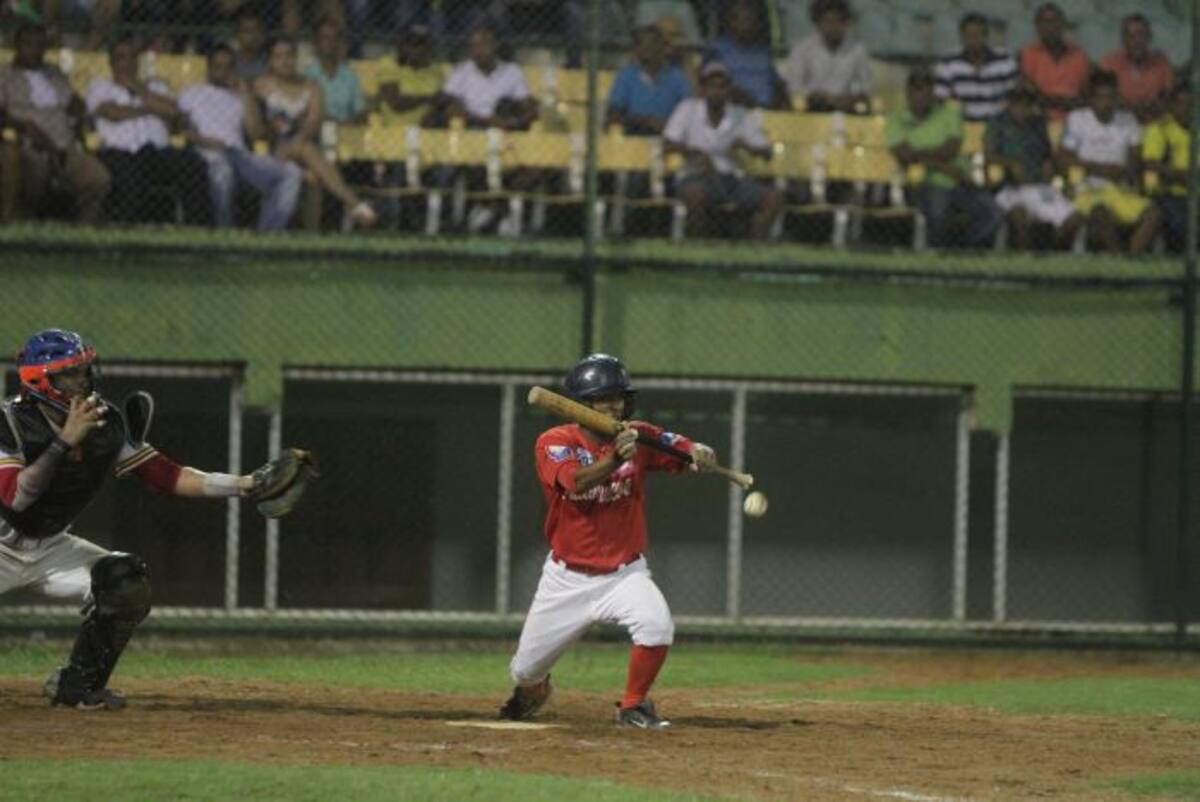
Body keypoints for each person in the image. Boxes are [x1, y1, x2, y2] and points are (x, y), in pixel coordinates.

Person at [0, 328, 309, 710]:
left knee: (125, 583)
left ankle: (78, 686)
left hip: (48, 548)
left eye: (84, 370)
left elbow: (168, 476)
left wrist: (245, 485)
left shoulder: (104, 422)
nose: (83, 381)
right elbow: (16, 496)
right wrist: (64, 442)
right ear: (39, 382)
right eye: (69, 374)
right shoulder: (9, 421)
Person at [499, 353, 717, 730]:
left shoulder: (637, 435)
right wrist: (615, 459)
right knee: (523, 671)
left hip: (623, 573)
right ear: (583, 405)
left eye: (619, 397)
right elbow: (575, 482)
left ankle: (633, 706)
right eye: (604, 398)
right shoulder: (554, 442)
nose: (614, 406)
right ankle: (535, 689)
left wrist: (699, 452)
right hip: (566, 579)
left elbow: (680, 448)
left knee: (657, 626)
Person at [253, 36, 376, 228]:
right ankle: (354, 203)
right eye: (278, 56)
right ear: (270, 61)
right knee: (306, 149)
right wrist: (293, 132)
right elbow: (261, 126)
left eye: (289, 55)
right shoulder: (260, 85)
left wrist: (297, 137)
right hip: (273, 149)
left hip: (304, 147)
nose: (285, 61)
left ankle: (310, 236)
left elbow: (313, 124)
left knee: (312, 176)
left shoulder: (312, 87)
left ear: (296, 58)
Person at [86, 38, 212, 225]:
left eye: (132, 58)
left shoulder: (156, 87)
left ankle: (196, 229)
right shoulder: (101, 86)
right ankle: (125, 228)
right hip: (120, 151)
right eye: (121, 58)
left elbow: (174, 112)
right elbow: (112, 113)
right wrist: (152, 108)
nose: (127, 63)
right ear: (111, 62)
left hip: (158, 152)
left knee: (193, 164)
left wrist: (140, 90)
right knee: (130, 179)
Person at [179, 44, 302, 232]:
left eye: (228, 67)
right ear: (209, 68)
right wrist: (203, 140)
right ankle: (226, 234)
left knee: (291, 173)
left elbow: (255, 133)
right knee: (223, 171)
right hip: (207, 152)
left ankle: (267, 236)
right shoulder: (192, 93)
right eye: (218, 66)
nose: (222, 72)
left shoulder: (240, 96)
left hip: (239, 155)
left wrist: (245, 92)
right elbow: (182, 129)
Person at [0, 22, 110, 223]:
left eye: (41, 46)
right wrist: (23, 126)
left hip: (64, 145)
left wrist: (80, 115)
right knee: (33, 173)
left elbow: (73, 102)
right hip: (29, 145)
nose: (35, 51)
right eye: (29, 44)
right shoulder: (4, 75)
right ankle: (22, 221)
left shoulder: (53, 73)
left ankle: (83, 230)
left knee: (98, 178)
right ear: (17, 45)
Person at [664, 60, 782, 240]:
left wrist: (748, 147)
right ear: (702, 89)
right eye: (712, 86)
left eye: (723, 87)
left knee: (774, 197)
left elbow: (766, 151)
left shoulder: (739, 114)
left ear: (729, 90)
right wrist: (693, 153)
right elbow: (668, 143)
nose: (717, 92)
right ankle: (696, 247)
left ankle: (755, 250)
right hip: (695, 176)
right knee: (695, 195)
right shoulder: (687, 109)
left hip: (731, 178)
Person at [886, 66, 1002, 250]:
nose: (920, 94)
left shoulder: (949, 113)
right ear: (908, 92)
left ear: (932, 92)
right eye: (916, 88)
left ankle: (961, 249)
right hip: (922, 183)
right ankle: (940, 253)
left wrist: (920, 155)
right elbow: (903, 155)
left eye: (925, 88)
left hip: (959, 181)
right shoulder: (897, 119)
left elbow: (951, 149)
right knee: (938, 209)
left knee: (992, 213)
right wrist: (943, 166)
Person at [1059, 69, 1162, 253]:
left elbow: (1135, 160)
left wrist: (1122, 172)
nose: (1105, 103)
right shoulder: (1078, 119)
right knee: (1100, 213)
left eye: (1110, 97)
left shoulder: (1128, 120)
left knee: (1153, 214)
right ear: (1090, 98)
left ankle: (1132, 258)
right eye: (1100, 97)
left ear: (1117, 97)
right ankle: (1118, 259)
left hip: (1119, 188)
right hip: (1088, 189)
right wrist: (1098, 169)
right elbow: (1064, 158)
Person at [985, 85, 1083, 250]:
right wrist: (1010, 164)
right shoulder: (998, 123)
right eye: (1018, 104)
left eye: (1027, 104)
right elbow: (988, 155)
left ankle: (1055, 258)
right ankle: (1024, 261)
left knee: (1073, 219)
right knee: (1019, 215)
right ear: (1009, 104)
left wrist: (1049, 164)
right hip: (1011, 187)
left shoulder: (1038, 123)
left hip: (1039, 186)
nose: (1022, 109)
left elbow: (1048, 153)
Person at [782, 0, 872, 114]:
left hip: (847, 109)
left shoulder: (858, 51)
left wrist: (847, 99)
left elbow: (866, 88)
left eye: (838, 21)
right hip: (812, 110)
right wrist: (817, 95)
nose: (833, 27)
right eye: (828, 21)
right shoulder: (802, 50)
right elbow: (794, 88)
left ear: (846, 24)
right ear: (818, 23)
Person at [605, 25, 692, 136]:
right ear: (636, 49)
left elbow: (690, 111)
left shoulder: (676, 76)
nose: (647, 48)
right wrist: (645, 122)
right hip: (633, 138)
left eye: (652, 43)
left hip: (668, 138)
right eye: (642, 44)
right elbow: (613, 114)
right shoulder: (627, 75)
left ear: (662, 47)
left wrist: (669, 124)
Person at [935, 13, 1018, 122]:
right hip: (962, 125)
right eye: (968, 36)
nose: (972, 41)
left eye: (977, 35)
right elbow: (940, 98)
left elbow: (1016, 95)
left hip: (997, 125)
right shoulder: (948, 62)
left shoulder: (1004, 60)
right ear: (961, 37)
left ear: (986, 36)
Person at [706, 4, 790, 110]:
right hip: (735, 112)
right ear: (731, 22)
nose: (749, 25)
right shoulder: (717, 51)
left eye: (752, 21)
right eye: (744, 21)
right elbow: (713, 85)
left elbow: (776, 82)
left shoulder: (762, 52)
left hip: (768, 112)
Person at [1019, 2, 1090, 121]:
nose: (1050, 27)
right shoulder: (1027, 54)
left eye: (1054, 21)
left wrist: (1048, 100)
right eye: (1044, 22)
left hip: (1075, 123)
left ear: (1063, 24)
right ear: (1037, 27)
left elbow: (1086, 97)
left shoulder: (1079, 55)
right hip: (1038, 124)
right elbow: (1028, 96)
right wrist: (1065, 102)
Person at [1099, 14, 1174, 124]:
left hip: (1153, 124)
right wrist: (1134, 108)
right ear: (1123, 39)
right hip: (1118, 127)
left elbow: (1169, 98)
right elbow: (1103, 100)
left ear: (1149, 37)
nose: (1136, 41)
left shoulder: (1161, 65)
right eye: (1130, 36)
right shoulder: (1109, 64)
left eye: (1140, 34)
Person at [1142, 82, 1190, 253]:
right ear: (1172, 105)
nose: (1186, 108)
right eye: (1181, 103)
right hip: (1171, 193)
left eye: (1191, 103)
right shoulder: (1160, 129)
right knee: (1179, 220)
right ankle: (1174, 262)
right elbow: (1151, 163)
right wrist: (1182, 176)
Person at [377, 23, 446, 129]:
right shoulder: (389, 64)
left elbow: (440, 101)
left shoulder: (435, 70)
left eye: (421, 44)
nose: (416, 49)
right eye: (410, 43)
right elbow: (396, 103)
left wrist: (434, 114)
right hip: (394, 131)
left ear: (429, 47)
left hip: (427, 131)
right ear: (401, 45)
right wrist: (426, 99)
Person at [304, 15, 368, 125]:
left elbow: (361, 111)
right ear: (315, 42)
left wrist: (349, 123)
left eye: (334, 38)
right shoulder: (307, 75)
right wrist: (336, 124)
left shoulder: (350, 76)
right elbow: (307, 112)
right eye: (325, 37)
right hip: (317, 134)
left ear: (340, 42)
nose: (330, 42)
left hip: (347, 133)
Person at [233, 9, 268, 83]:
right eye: (247, 31)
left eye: (256, 30)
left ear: (263, 35)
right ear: (238, 34)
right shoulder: (230, 61)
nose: (252, 36)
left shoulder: (270, 61)